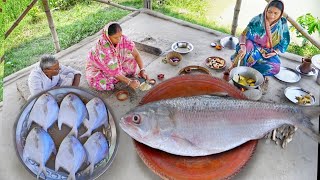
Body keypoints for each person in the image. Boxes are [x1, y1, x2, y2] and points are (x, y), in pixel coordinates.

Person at [229, 0, 290, 79]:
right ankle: (239, 70)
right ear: (266, 10)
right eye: (269, 12)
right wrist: (243, 46)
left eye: (276, 13)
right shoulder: (257, 19)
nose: (271, 16)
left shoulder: (283, 23)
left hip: (267, 51)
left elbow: (285, 40)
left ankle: (250, 71)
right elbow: (244, 35)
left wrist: (275, 52)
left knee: (275, 68)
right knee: (247, 49)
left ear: (281, 13)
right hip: (251, 47)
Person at [86, 22, 149, 91]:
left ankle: (120, 74)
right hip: (99, 68)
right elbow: (114, 72)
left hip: (114, 63)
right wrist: (129, 82)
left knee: (131, 61)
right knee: (103, 83)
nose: (119, 39)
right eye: (115, 37)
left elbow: (136, 54)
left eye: (120, 36)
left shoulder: (123, 39)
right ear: (107, 36)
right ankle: (118, 77)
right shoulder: (103, 49)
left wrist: (142, 70)